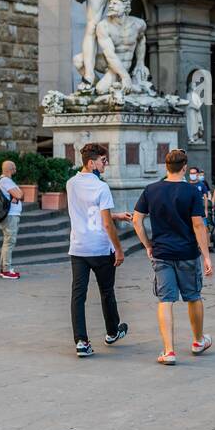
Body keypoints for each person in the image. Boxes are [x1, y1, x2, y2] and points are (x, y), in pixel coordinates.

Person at [132, 149, 215, 365]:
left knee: (165, 300)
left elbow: (136, 220)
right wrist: (206, 256)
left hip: (161, 252)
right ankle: (198, 341)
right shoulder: (192, 191)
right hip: (187, 252)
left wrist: (147, 244)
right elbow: (198, 225)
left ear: (166, 167)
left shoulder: (151, 190)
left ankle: (169, 351)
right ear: (185, 167)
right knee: (193, 296)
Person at [66, 143, 132, 357]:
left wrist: (116, 215)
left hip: (78, 248)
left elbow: (88, 212)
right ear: (91, 162)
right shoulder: (101, 187)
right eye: (103, 160)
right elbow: (105, 224)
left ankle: (81, 342)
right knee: (106, 291)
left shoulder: (71, 184)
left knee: (78, 295)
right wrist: (119, 250)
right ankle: (112, 332)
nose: (106, 164)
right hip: (101, 248)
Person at [0, 159, 23, 281]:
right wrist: (19, 192)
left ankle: (4, 268)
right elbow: (19, 195)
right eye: (14, 168)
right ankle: (6, 270)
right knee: (9, 241)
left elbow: (19, 194)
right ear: (10, 169)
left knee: (7, 241)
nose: (16, 170)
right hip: (10, 215)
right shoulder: (6, 181)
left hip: (8, 214)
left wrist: (18, 192)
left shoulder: (2, 180)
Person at [189, 165, 215, 250]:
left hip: (200, 209)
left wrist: (206, 210)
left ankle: (207, 246)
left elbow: (206, 198)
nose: (192, 174)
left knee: (205, 228)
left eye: (194, 173)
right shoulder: (187, 185)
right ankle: (196, 245)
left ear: (197, 174)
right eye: (191, 173)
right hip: (190, 210)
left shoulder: (201, 185)